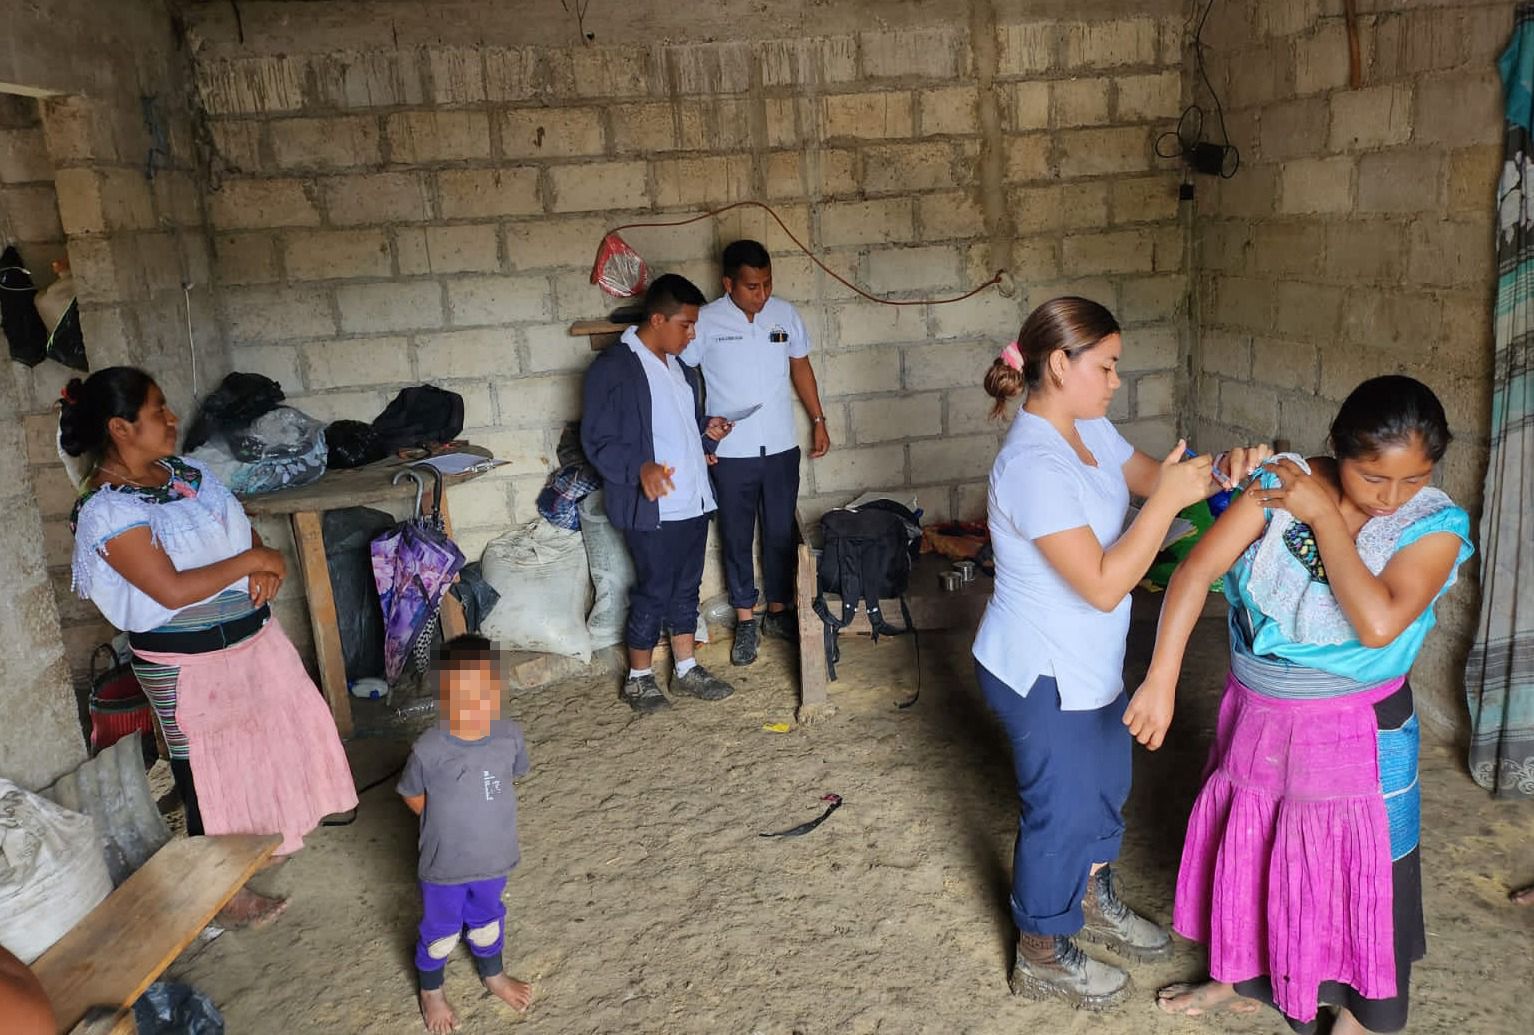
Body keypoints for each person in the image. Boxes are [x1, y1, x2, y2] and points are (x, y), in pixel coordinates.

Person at [1136, 376, 1474, 1034]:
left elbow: (1377, 622)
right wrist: (1161, 677)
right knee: (1258, 850)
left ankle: (1362, 1018)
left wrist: (1323, 514)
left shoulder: (1434, 525)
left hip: (1358, 730)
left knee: (1363, 872)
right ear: (1339, 448)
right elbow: (1195, 571)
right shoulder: (1280, 482)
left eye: (1414, 478)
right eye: (1374, 477)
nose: (1391, 497)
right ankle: (1238, 978)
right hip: (1260, 718)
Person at [973, 296, 1268, 1008]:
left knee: (1107, 782)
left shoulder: (1089, 429)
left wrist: (1218, 473)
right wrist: (1167, 503)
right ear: (1057, 363)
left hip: (1090, 661)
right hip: (1039, 668)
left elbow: (1151, 478)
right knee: (1061, 809)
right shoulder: (1031, 465)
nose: (1113, 381)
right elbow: (1106, 584)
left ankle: (1093, 897)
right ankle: (1040, 946)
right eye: (1105, 367)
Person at [60, 367, 357, 926]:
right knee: (205, 772)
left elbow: (242, 533)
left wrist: (263, 556)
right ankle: (223, 894)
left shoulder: (187, 476)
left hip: (252, 641)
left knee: (266, 749)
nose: (172, 419)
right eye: (157, 412)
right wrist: (254, 562)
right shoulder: (105, 510)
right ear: (121, 428)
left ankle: (260, 849)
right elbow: (169, 589)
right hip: (186, 663)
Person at [581, 273, 738, 713]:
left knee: (687, 587)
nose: (693, 334)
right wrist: (639, 468)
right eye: (686, 325)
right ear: (657, 319)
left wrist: (708, 434)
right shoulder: (615, 369)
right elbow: (597, 439)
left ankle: (686, 669)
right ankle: (639, 678)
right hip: (651, 506)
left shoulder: (681, 371)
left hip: (693, 499)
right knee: (655, 588)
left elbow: (681, 433)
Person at [682, 240, 830, 666]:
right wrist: (698, 436)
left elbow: (800, 366)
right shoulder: (706, 321)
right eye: (751, 286)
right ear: (728, 283)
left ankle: (778, 611)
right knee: (736, 534)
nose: (761, 294)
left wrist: (818, 420)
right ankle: (746, 618)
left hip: (781, 445)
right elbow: (683, 374)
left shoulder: (785, 314)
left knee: (781, 532)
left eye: (766, 284)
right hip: (730, 452)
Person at [398, 634, 534, 1033]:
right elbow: (412, 795)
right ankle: (431, 989)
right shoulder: (429, 748)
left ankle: (493, 973)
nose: (476, 705)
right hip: (445, 866)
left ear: (497, 690)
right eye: (463, 695)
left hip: (495, 858)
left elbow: (511, 776)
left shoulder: (509, 736)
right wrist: (444, 822)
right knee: (440, 931)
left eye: (485, 692)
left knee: (488, 918)